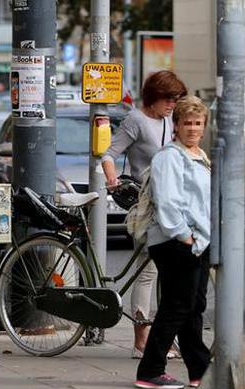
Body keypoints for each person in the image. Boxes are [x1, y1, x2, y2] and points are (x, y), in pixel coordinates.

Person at [100, 70, 187, 359]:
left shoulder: (167, 121)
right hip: (146, 203)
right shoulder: (136, 120)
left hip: (169, 202)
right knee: (146, 269)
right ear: (154, 95)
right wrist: (112, 180)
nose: (173, 104)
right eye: (168, 98)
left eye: (176, 99)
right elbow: (109, 153)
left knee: (167, 270)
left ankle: (161, 335)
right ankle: (141, 339)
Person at [135, 96, 212, 389]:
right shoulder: (169, 157)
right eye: (186, 123)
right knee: (177, 305)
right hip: (175, 240)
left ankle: (199, 370)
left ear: (204, 127)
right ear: (176, 125)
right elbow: (168, 202)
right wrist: (185, 236)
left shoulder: (198, 155)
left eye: (197, 123)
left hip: (197, 241)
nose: (192, 128)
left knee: (193, 306)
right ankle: (150, 370)